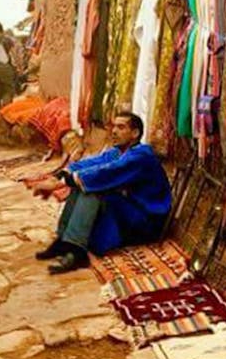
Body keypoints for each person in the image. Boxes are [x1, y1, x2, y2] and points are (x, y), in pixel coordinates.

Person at [31, 111, 172, 274]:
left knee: (94, 187)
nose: (114, 131)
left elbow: (107, 172)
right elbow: (92, 163)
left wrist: (63, 182)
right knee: (85, 183)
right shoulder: (118, 151)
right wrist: (59, 176)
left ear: (135, 133)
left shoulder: (141, 156)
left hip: (146, 219)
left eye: (121, 127)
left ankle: (77, 251)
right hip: (128, 209)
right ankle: (64, 240)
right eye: (114, 127)